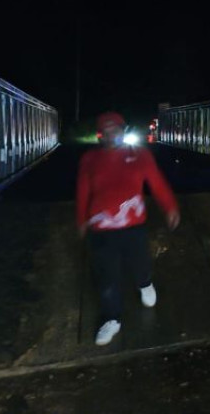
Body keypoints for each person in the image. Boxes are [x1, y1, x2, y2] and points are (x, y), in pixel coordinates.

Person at [76, 111, 180, 346]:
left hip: (134, 227)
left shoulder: (140, 155)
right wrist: (81, 220)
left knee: (140, 263)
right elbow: (83, 191)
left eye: (117, 129)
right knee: (107, 277)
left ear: (123, 131)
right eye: (107, 130)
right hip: (101, 229)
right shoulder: (89, 159)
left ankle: (144, 283)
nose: (112, 133)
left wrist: (170, 207)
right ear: (100, 134)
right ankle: (111, 319)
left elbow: (156, 182)